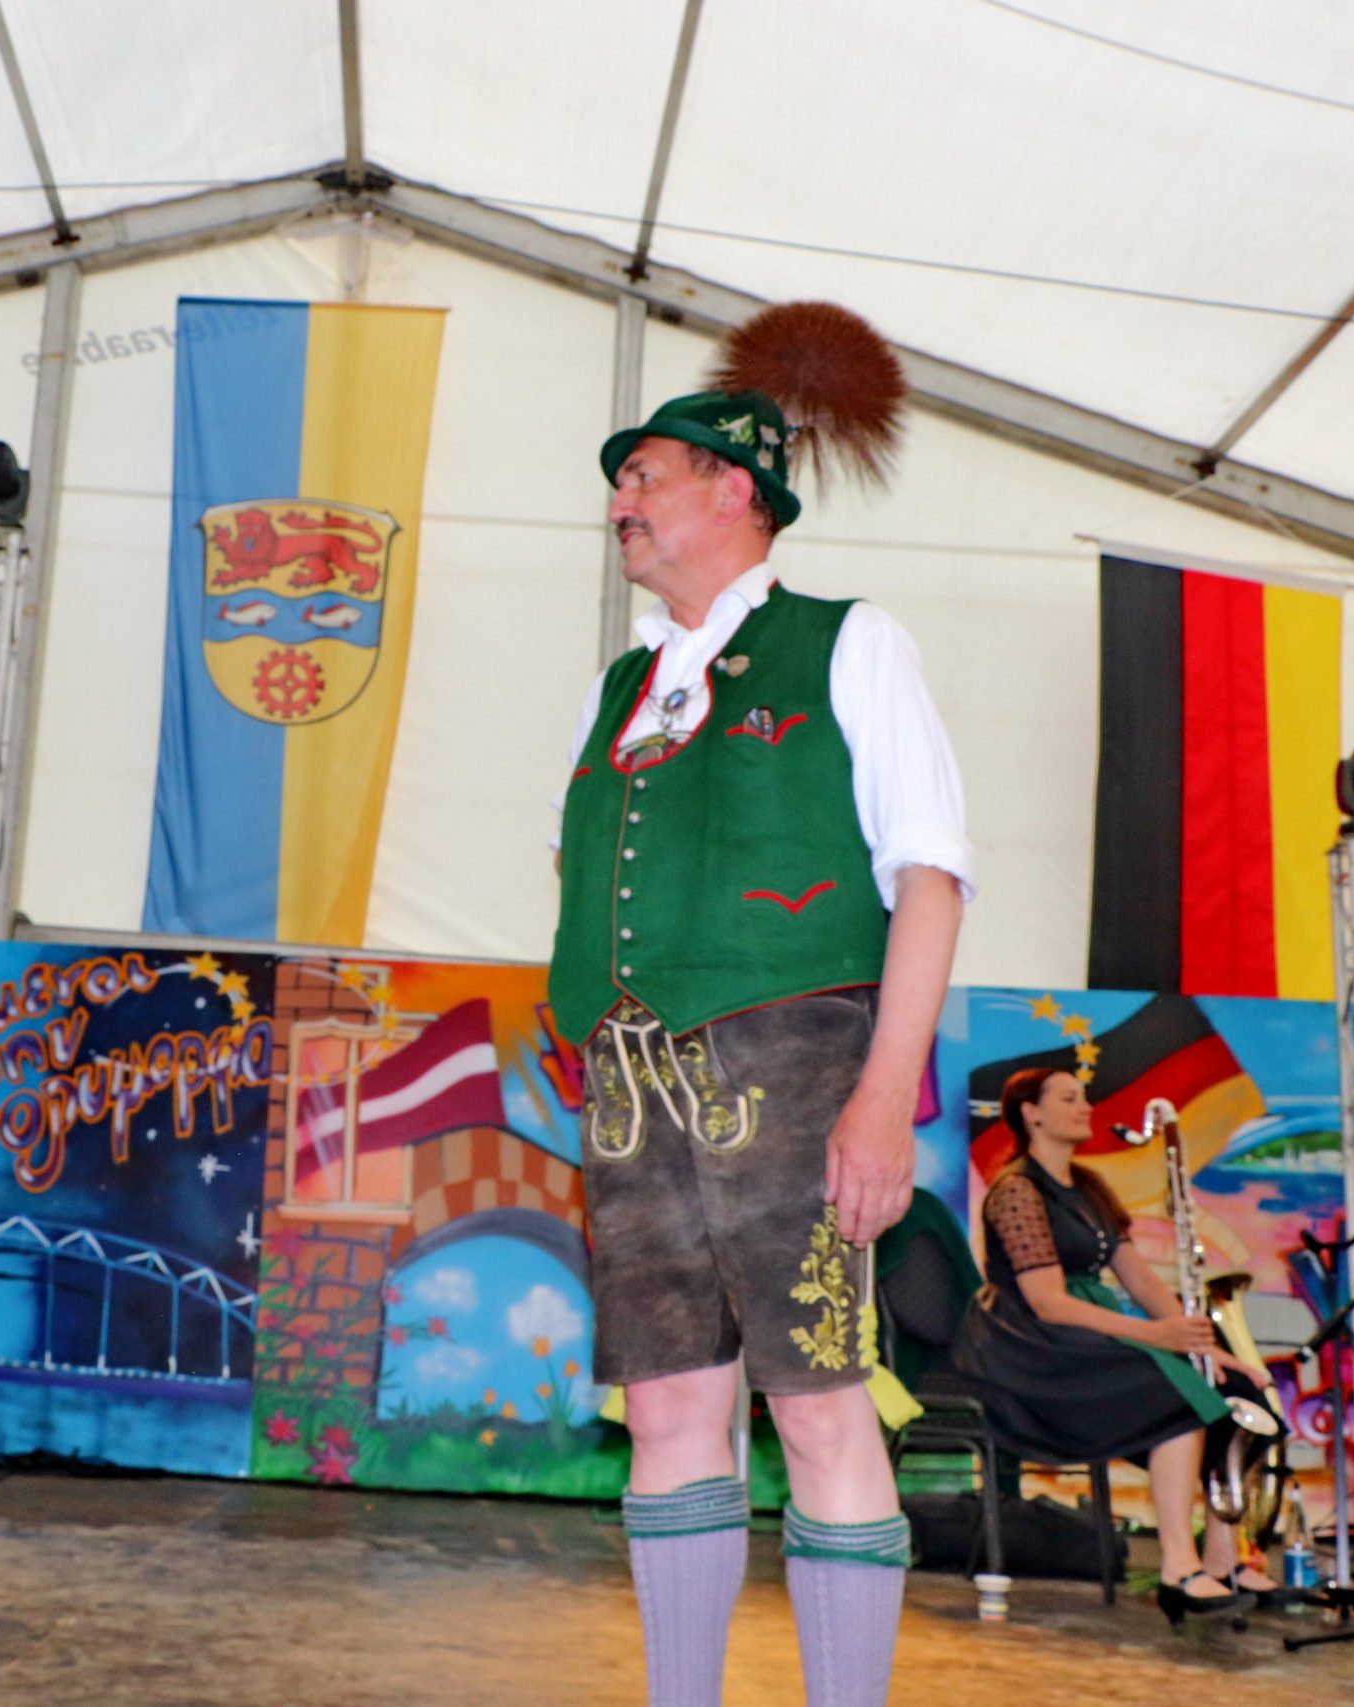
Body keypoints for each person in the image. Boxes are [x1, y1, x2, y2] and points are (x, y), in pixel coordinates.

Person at [549, 302, 972, 1707]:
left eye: (643, 475)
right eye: (620, 481)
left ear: (734, 490)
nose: (621, 499)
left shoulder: (851, 642)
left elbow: (929, 878)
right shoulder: (621, 683)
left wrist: (882, 1098)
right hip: (633, 1083)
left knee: (819, 1403)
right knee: (667, 1404)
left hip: (795, 1065)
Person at [952, 1067, 1277, 1627]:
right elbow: (1048, 1303)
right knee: (1173, 1393)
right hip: (1030, 1347)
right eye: (1068, 1098)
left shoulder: (1088, 1188)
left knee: (1240, 1393)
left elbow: (1140, 1280)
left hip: (1088, 1328)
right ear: (1031, 1113)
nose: (1085, 1106)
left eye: (1085, 1097)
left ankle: (1224, 1559)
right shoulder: (1017, 1191)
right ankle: (1178, 1568)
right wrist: (1154, 1336)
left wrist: (1204, 1346)